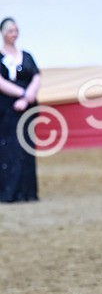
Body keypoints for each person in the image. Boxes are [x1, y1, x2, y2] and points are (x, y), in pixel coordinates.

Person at [0, 17, 40, 203]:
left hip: (27, 109)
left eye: (16, 30)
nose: (14, 34)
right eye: (10, 31)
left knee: (26, 147)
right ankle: (10, 191)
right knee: (9, 149)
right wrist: (21, 93)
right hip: (6, 110)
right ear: (3, 33)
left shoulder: (26, 55)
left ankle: (27, 191)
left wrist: (27, 97)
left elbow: (36, 76)